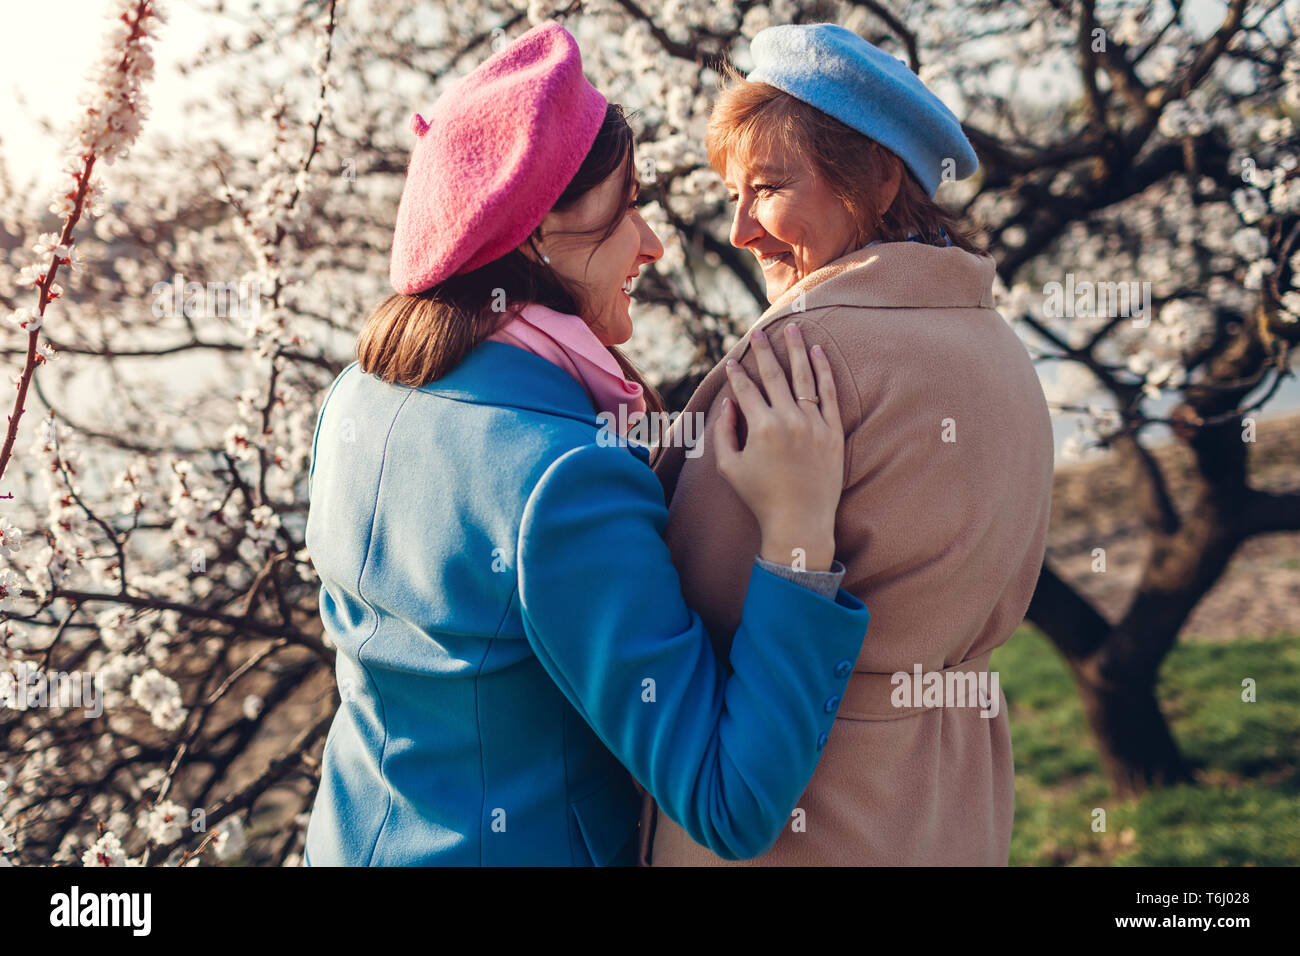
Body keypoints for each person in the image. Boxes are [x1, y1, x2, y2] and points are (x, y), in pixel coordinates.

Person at [300, 21, 870, 866]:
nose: (652, 243)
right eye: (624, 209)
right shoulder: (562, 478)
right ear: (533, 237)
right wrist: (797, 536)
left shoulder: (362, 393)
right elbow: (729, 800)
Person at [641, 23, 1054, 866]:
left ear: (875, 179)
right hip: (952, 797)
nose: (740, 233)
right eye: (732, 195)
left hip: (812, 809)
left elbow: (690, 609)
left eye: (767, 188)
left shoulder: (799, 359)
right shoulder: (999, 346)